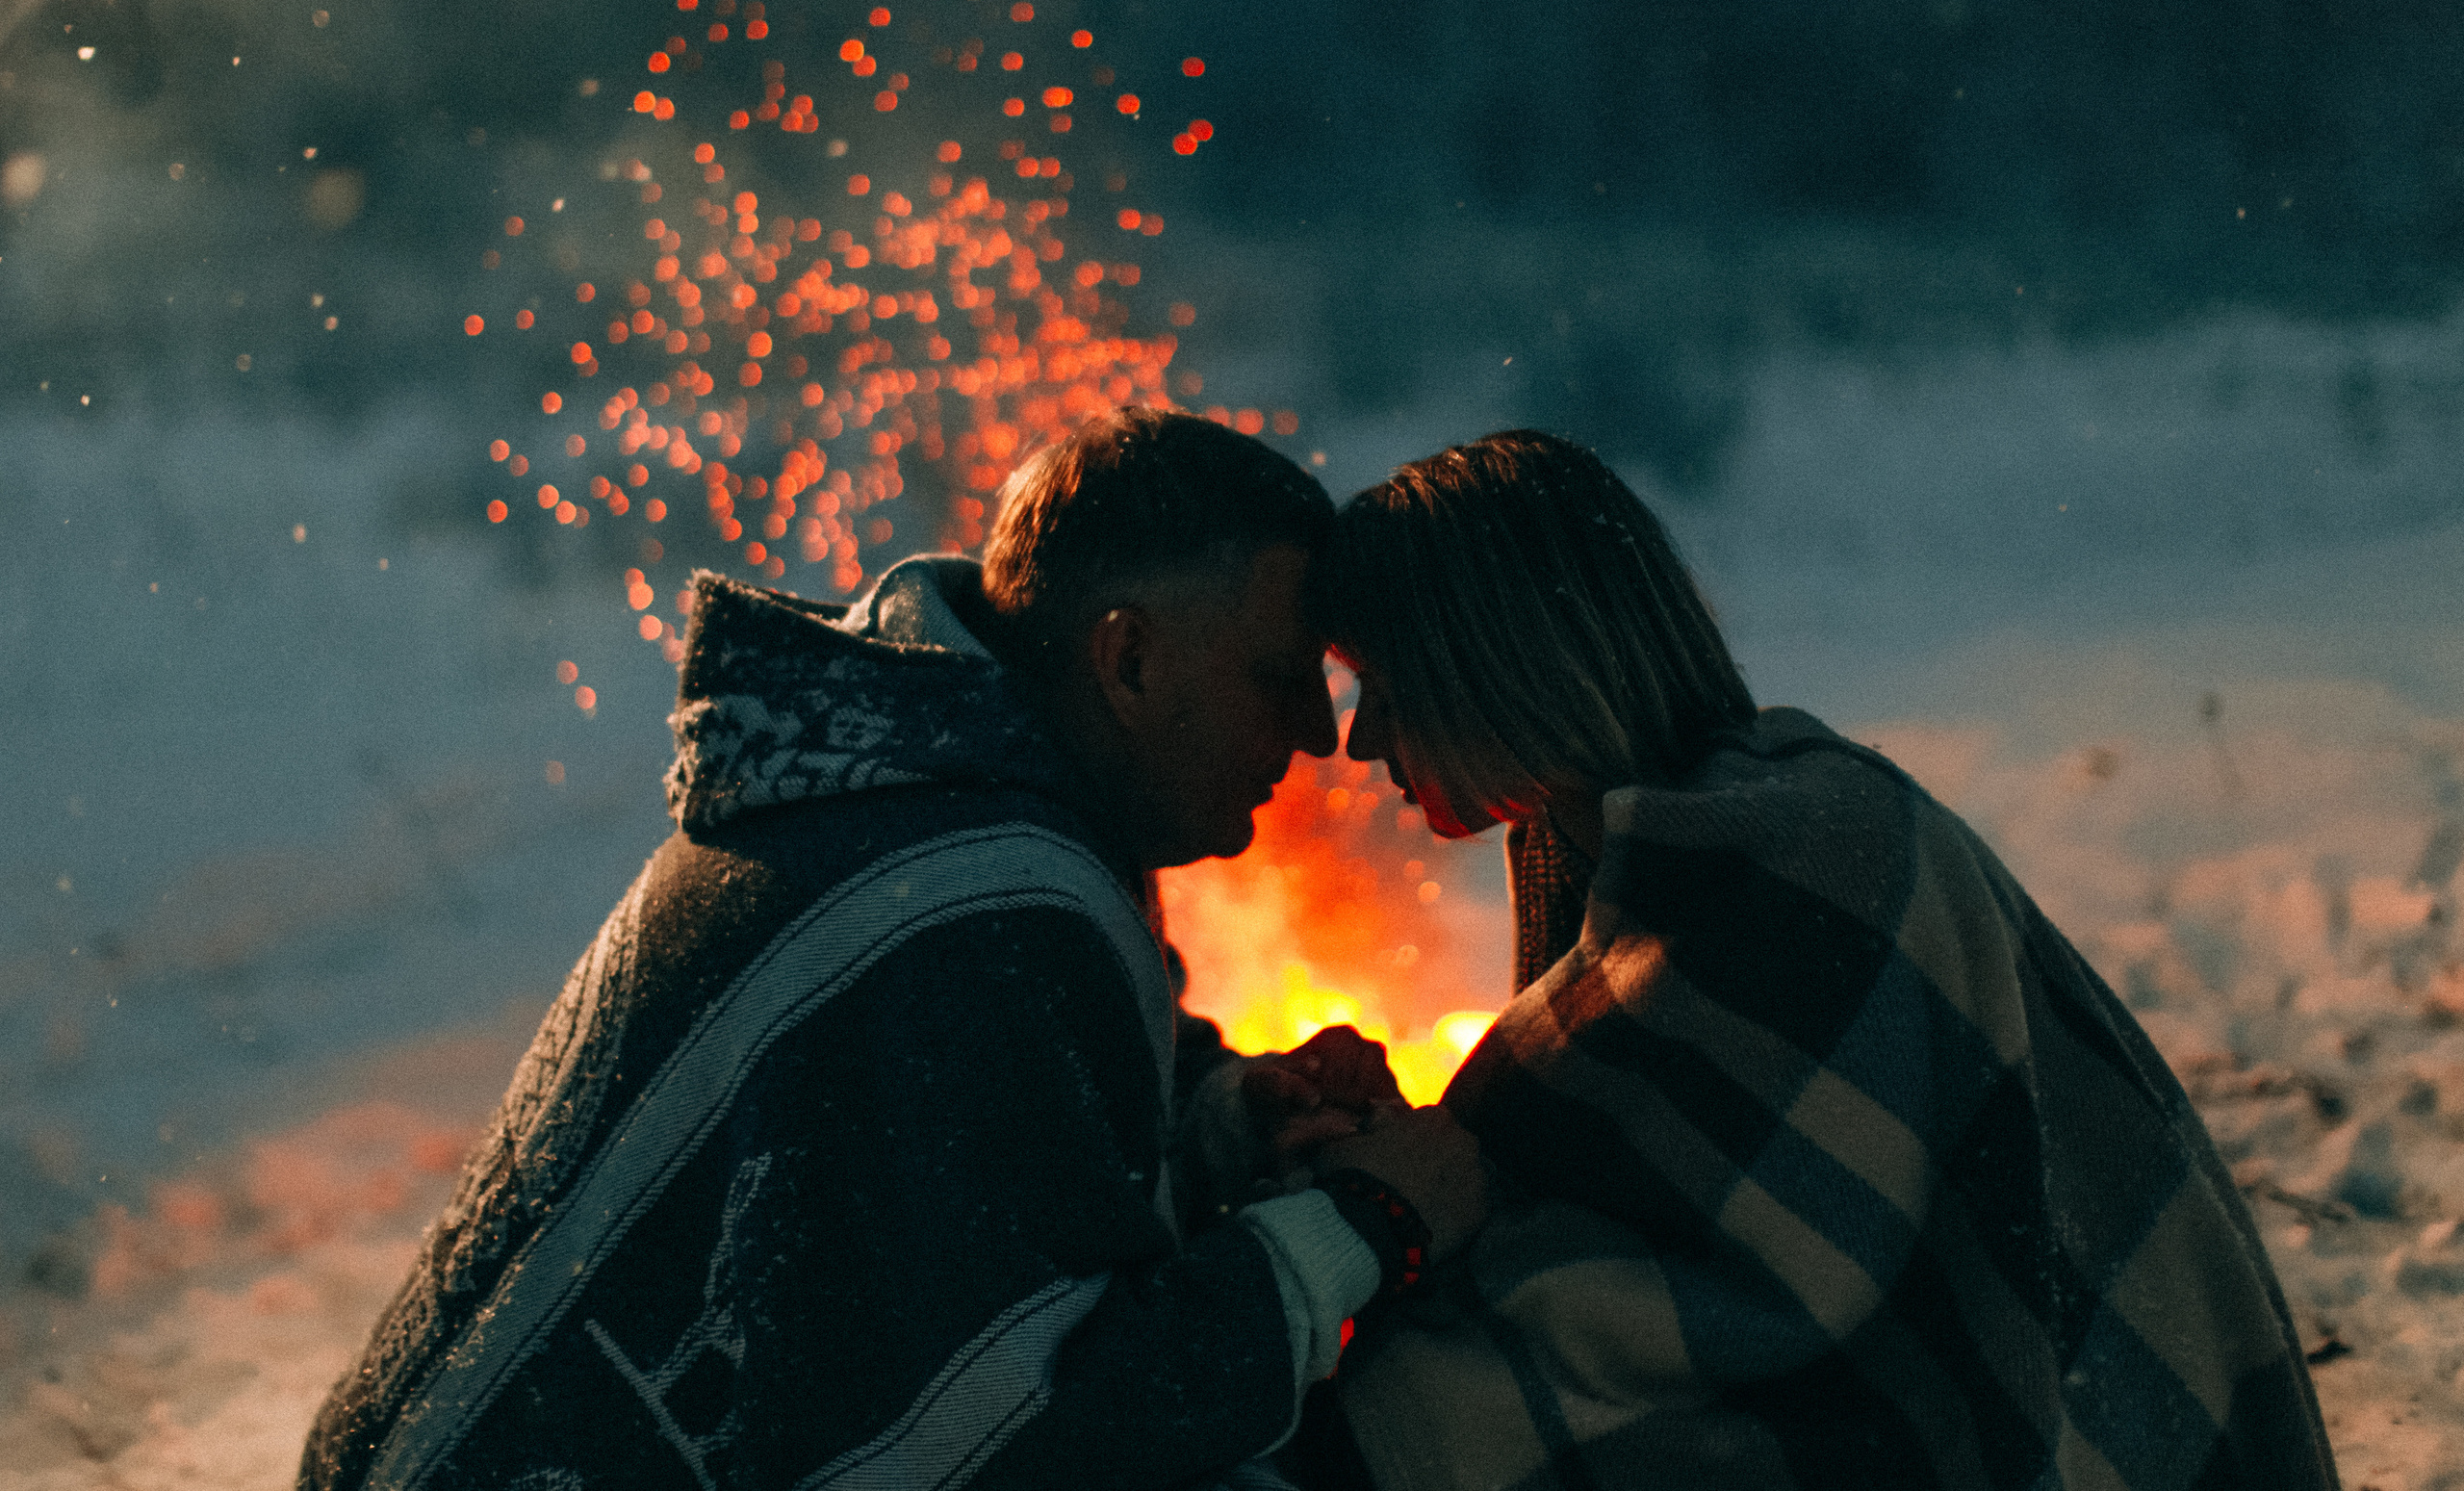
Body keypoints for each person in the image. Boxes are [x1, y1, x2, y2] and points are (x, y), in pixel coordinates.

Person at [297, 407, 1487, 1491]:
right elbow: (1020, 1443)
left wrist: (1224, 1116)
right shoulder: (973, 908)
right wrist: (1364, 1226)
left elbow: (963, 1176)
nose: (1319, 736)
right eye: (1280, 680)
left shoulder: (931, 806)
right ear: (1127, 660)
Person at [1280, 429, 2337, 1491]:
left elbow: (1761, 1280)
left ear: (1499, 661)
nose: (1362, 742)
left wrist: (1412, 1212)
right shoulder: (1594, 844)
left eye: (1386, 683)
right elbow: (1628, 1191)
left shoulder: (1801, 849)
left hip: (2045, 1407)